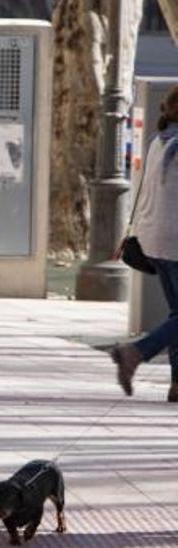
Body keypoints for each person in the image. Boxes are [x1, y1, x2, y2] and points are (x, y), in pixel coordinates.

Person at [113, 87, 178, 403]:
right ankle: (136, 353)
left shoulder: (159, 141)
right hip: (175, 241)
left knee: (177, 315)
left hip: (155, 240)